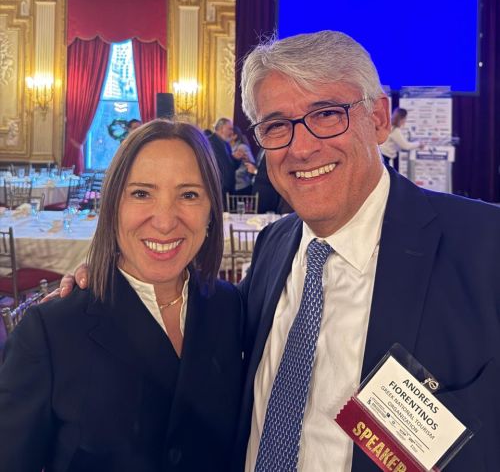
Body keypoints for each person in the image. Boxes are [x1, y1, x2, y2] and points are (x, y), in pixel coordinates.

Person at [57, 31, 500, 472]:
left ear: (380, 119)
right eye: (276, 126)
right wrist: (119, 280)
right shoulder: (274, 245)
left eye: (327, 114)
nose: (301, 148)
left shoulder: (484, 248)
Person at [0, 120, 243, 471]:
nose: (164, 221)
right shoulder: (50, 331)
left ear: (211, 212)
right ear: (113, 205)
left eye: (189, 195)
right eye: (141, 193)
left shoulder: (231, 308)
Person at [208, 117, 245, 208]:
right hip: (218, 191)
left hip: (227, 191)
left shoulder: (226, 144)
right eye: (230, 129)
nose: (232, 132)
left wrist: (236, 159)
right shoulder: (210, 142)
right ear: (221, 129)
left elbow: (230, 167)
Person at [230, 125, 256, 196]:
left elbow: (252, 162)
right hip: (235, 184)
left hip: (242, 185)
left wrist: (239, 173)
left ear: (235, 136)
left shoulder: (242, 147)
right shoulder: (231, 147)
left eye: (230, 134)